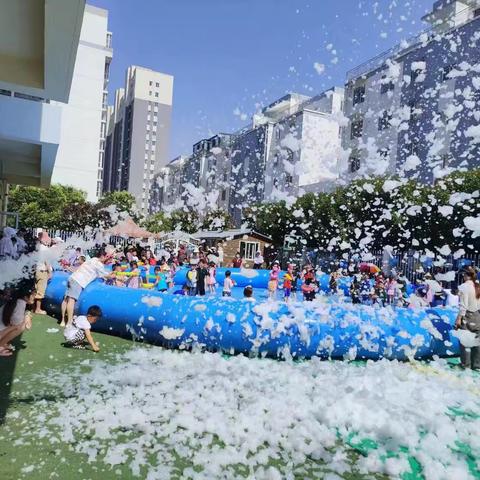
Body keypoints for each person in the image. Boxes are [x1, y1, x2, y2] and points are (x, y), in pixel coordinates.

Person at [61, 248, 114, 327]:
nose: (109, 260)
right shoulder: (99, 264)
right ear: (103, 256)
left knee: (66, 299)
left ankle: (62, 320)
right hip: (78, 281)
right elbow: (105, 275)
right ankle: (69, 322)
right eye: (109, 258)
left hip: (72, 278)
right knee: (72, 300)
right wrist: (113, 275)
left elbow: (99, 274)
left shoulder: (93, 259)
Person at [0, 282, 35, 356]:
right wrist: (27, 317)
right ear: (25, 297)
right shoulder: (20, 304)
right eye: (33, 295)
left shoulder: (16, 300)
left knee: (16, 326)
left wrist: (27, 315)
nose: (34, 297)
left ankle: (2, 343)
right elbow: (19, 324)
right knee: (20, 327)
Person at [455, 267, 480, 370]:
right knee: (477, 339)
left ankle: (466, 364)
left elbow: (463, 305)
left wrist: (459, 318)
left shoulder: (463, 287)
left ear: (465, 275)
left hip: (467, 315)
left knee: (464, 339)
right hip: (477, 315)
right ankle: (477, 364)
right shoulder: (477, 286)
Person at [34, 232, 52, 314]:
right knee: (40, 291)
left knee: (35, 289)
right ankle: (38, 309)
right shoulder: (45, 249)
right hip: (42, 271)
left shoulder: (37, 247)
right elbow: (47, 262)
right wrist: (49, 272)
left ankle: (33, 307)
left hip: (36, 270)